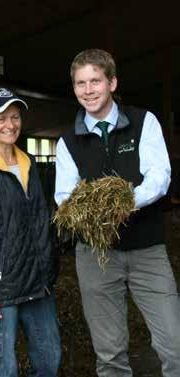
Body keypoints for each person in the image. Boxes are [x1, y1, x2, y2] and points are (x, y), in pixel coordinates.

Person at [55, 48, 180, 377]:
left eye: (95, 80)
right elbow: (64, 196)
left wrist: (124, 204)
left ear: (112, 82)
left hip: (147, 250)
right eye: (81, 83)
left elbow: (159, 177)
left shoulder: (143, 121)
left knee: (175, 343)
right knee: (109, 354)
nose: (88, 90)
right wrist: (93, 216)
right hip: (97, 257)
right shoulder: (67, 141)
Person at [0, 86, 61, 377]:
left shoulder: (30, 163)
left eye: (15, 117)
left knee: (49, 358)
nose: (10, 125)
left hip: (38, 281)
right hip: (1, 289)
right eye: (1, 118)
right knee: (4, 367)